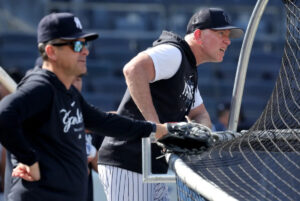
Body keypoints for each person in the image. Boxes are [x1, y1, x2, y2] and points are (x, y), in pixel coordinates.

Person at [0, 12, 169, 201]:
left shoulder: (66, 91)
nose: (85, 51)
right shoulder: (41, 87)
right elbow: (4, 115)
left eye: (85, 44)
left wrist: (156, 129)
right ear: (51, 52)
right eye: (77, 45)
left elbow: (106, 122)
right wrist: (28, 159)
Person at [98, 7, 244, 201]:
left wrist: (196, 134)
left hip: (149, 164)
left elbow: (201, 114)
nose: (228, 40)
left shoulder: (189, 68)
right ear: (198, 35)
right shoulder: (174, 53)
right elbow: (133, 69)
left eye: (228, 35)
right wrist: (156, 128)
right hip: (129, 159)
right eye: (221, 34)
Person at [72, 75, 104, 201]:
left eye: (78, 79)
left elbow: (102, 169)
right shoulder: (43, 115)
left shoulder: (87, 114)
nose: (74, 83)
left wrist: (91, 153)